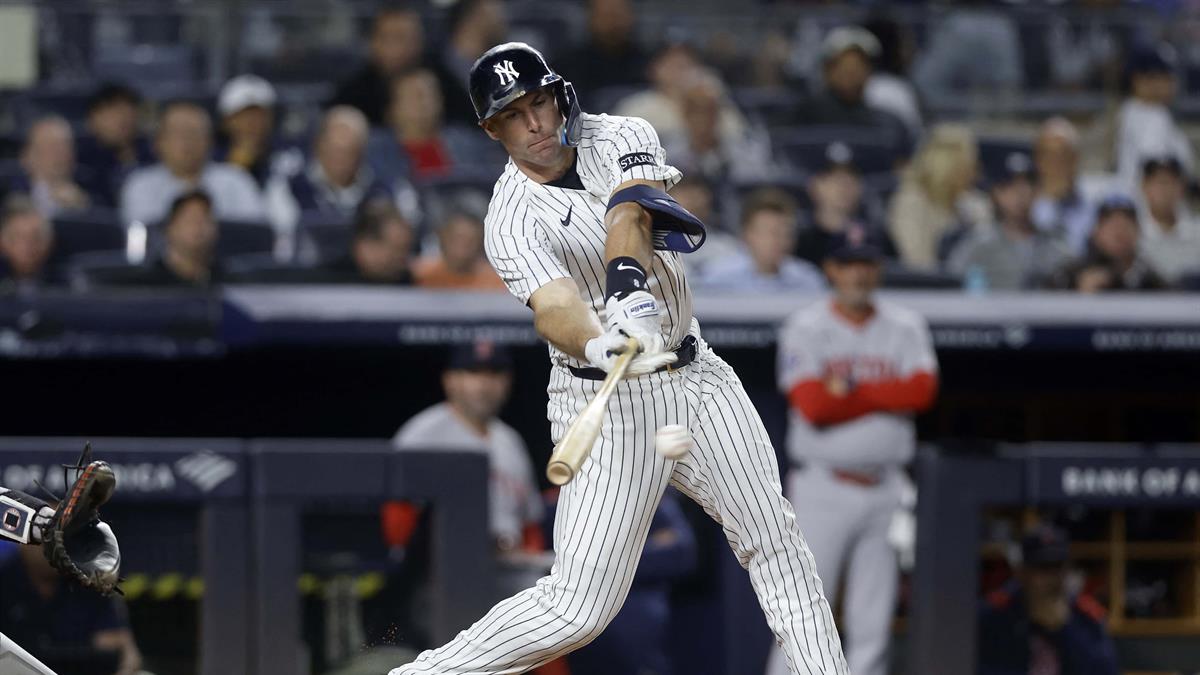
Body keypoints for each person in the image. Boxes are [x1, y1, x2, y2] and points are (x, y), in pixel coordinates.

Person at [389, 41, 847, 675]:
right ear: (492, 130)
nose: (534, 124)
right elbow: (553, 305)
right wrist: (595, 341)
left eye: (539, 103)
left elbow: (630, 209)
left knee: (776, 541)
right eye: (513, 115)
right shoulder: (509, 219)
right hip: (604, 402)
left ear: (559, 96)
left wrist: (627, 289)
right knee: (578, 609)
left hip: (696, 375)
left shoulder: (620, 132)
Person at [770, 225, 937, 675]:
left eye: (866, 264)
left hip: (887, 488)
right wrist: (886, 393)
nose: (858, 274)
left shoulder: (906, 325)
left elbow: (921, 391)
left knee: (873, 621)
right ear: (831, 270)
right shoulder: (806, 326)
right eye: (848, 264)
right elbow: (815, 404)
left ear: (878, 269)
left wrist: (852, 390)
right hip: (822, 489)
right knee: (804, 610)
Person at [394, 342, 543, 553]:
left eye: (494, 373)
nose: (484, 384)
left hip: (511, 562)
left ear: (508, 381)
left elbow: (530, 524)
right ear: (449, 380)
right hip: (444, 563)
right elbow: (397, 522)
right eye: (473, 372)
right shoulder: (422, 435)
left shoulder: (511, 441)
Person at [565, 493, 696, 675]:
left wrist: (611, 559)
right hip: (586, 624)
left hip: (640, 616)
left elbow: (682, 552)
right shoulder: (576, 499)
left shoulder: (650, 498)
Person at [978, 525, 1119, 675]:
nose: (1052, 578)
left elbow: (1104, 669)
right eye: (1043, 568)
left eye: (1058, 567)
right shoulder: (994, 613)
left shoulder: (1086, 618)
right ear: (1022, 572)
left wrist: (1064, 629)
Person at [266, 106, 393, 260]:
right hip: (308, 267)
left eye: (349, 152)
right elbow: (283, 239)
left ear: (361, 153)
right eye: (335, 150)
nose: (341, 160)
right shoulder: (291, 186)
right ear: (319, 146)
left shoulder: (380, 190)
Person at [0, 544, 142, 675]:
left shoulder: (90, 580)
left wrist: (125, 660)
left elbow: (121, 646)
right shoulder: (5, 577)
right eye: (44, 537)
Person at [121, 101, 265, 226]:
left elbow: (253, 234)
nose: (188, 142)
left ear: (210, 141)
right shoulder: (140, 186)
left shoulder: (236, 181)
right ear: (159, 142)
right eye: (179, 134)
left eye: (195, 133)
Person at [947, 152, 1072, 290]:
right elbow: (951, 282)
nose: (1020, 194)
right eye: (1009, 187)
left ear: (1037, 191)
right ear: (996, 193)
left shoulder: (1054, 244)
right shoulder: (979, 243)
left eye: (1027, 186)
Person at [797, 26, 912, 160]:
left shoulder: (890, 124)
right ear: (827, 70)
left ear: (870, 72)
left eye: (860, 65)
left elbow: (903, 164)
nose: (852, 72)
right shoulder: (803, 118)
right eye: (844, 65)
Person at [887, 124, 991, 270]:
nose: (975, 173)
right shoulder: (911, 203)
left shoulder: (973, 201)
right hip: (931, 281)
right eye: (967, 166)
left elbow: (990, 254)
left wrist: (980, 221)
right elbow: (918, 263)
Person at [368, 68, 499, 184]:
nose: (425, 102)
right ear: (392, 109)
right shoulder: (374, 152)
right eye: (415, 96)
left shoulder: (468, 143)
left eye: (431, 95)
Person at [696, 188, 826, 292]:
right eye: (770, 232)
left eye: (785, 233)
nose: (778, 240)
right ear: (747, 235)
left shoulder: (809, 279)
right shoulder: (716, 278)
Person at [662, 68, 774, 185]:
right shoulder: (668, 156)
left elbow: (755, 184)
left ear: (718, 114)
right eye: (695, 110)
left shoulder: (741, 152)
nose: (703, 118)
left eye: (710, 110)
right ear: (684, 114)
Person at [795, 141, 894, 267]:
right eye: (835, 179)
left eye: (851, 178)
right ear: (815, 186)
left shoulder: (876, 239)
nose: (843, 187)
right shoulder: (798, 241)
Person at [329, 4, 426, 126]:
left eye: (403, 38)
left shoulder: (440, 86)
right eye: (387, 37)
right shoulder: (351, 95)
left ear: (419, 42)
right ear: (373, 42)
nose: (395, 48)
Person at [1045, 194, 1165, 292]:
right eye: (1111, 225)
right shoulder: (1070, 276)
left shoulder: (1151, 280)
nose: (1119, 232)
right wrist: (1079, 293)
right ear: (1096, 232)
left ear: (1138, 231)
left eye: (1126, 225)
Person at [1114, 43, 1195, 188]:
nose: (1171, 83)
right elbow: (1157, 176)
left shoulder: (1140, 112)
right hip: (1151, 199)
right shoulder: (1150, 116)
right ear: (1138, 79)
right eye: (1164, 77)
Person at [114, 190, 223, 288]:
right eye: (191, 220)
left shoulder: (225, 281)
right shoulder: (143, 286)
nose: (198, 228)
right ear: (170, 228)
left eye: (205, 220)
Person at [429, 0, 509, 126]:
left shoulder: (503, 65)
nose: (501, 20)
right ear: (475, 18)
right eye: (494, 14)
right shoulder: (434, 71)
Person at [75, 82, 153, 206]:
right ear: (92, 120)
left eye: (127, 111)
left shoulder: (154, 153)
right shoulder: (80, 161)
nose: (122, 119)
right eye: (113, 112)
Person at [14, 116, 104, 217]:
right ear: (28, 156)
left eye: (66, 146)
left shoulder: (94, 193)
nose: (62, 154)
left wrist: (83, 209)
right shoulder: (11, 194)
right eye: (52, 147)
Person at [1031, 117, 1095, 256]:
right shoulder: (1025, 207)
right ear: (1037, 160)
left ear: (1075, 159)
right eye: (1048, 155)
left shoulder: (1093, 206)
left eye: (1063, 155)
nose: (1056, 164)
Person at [556, 0, 649, 93]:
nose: (614, 22)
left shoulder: (647, 65)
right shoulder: (568, 66)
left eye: (619, 15)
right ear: (591, 18)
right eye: (607, 15)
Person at [319, 198, 416, 285]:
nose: (403, 260)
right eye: (396, 249)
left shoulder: (412, 284)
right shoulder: (322, 283)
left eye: (406, 250)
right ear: (364, 245)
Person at [215, 74, 288, 188]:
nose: (254, 123)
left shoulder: (287, 156)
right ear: (226, 121)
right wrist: (234, 167)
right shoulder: (209, 160)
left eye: (260, 115)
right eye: (244, 116)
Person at [1136, 155, 1200, 284]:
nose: (1165, 190)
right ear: (1144, 186)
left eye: (1171, 182)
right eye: (1159, 182)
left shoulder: (1197, 230)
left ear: (1181, 188)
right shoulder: (1133, 232)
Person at [413, 210, 505, 290]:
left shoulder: (496, 282)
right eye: (456, 240)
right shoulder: (419, 275)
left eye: (470, 241)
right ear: (442, 237)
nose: (461, 249)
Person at [0, 195, 57, 289]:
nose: (28, 246)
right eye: (18, 237)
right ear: (2, 242)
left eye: (36, 238)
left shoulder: (69, 280)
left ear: (49, 242)